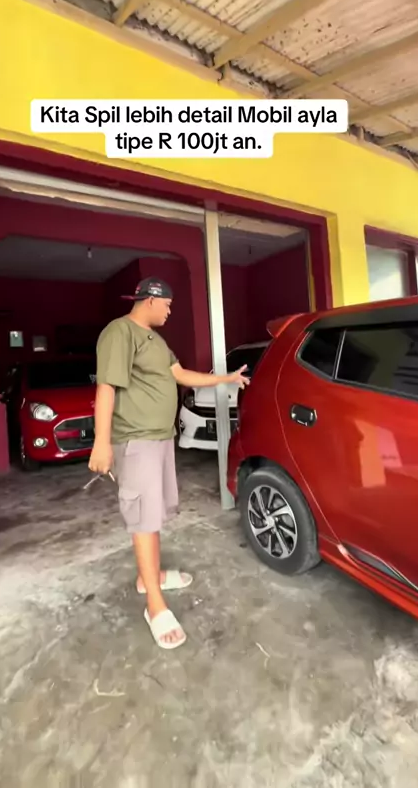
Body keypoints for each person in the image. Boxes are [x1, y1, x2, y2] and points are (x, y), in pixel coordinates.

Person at [89, 276, 249, 650]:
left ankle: (150, 577)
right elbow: (106, 387)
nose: (170, 311)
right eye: (167, 304)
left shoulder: (157, 342)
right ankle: (155, 605)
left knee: (154, 513)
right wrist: (101, 442)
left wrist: (226, 378)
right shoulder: (119, 332)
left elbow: (180, 375)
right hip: (136, 439)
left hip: (161, 438)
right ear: (150, 300)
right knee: (143, 517)